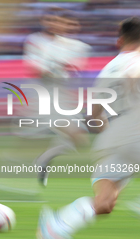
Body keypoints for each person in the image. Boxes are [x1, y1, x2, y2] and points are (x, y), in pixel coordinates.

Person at [37, 17, 140, 239]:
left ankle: (57, 225)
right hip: (139, 134)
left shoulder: (108, 69)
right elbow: (135, 75)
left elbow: (95, 117)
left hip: (111, 139)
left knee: (105, 202)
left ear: (119, 41)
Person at [24, 10, 91, 186]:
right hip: (44, 96)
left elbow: (73, 71)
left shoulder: (76, 46)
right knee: (73, 133)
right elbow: (36, 69)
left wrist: (61, 71)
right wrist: (55, 70)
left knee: (80, 140)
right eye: (51, 21)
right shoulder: (36, 41)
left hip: (62, 97)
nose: (55, 24)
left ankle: (43, 160)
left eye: (58, 21)